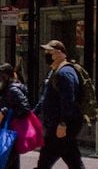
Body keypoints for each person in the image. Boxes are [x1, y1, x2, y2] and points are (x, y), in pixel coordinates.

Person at [33, 40, 86, 169]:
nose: (46, 54)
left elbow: (68, 100)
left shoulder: (65, 73)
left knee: (44, 161)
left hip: (61, 126)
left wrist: (63, 123)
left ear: (60, 53)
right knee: (72, 159)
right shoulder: (54, 72)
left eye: (49, 51)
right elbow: (45, 98)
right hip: (57, 125)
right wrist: (33, 114)